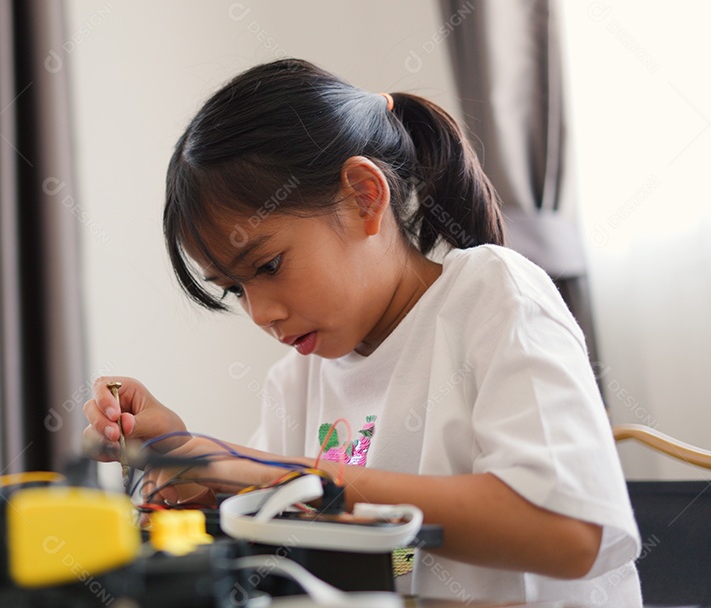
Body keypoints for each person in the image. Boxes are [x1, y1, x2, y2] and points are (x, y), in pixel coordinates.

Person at [82, 58, 641, 605]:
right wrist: (186, 471)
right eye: (234, 289)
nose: (260, 314)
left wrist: (278, 473)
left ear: (363, 197)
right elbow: (271, 553)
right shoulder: (295, 381)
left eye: (269, 265)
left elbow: (571, 534)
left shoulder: (491, 295)